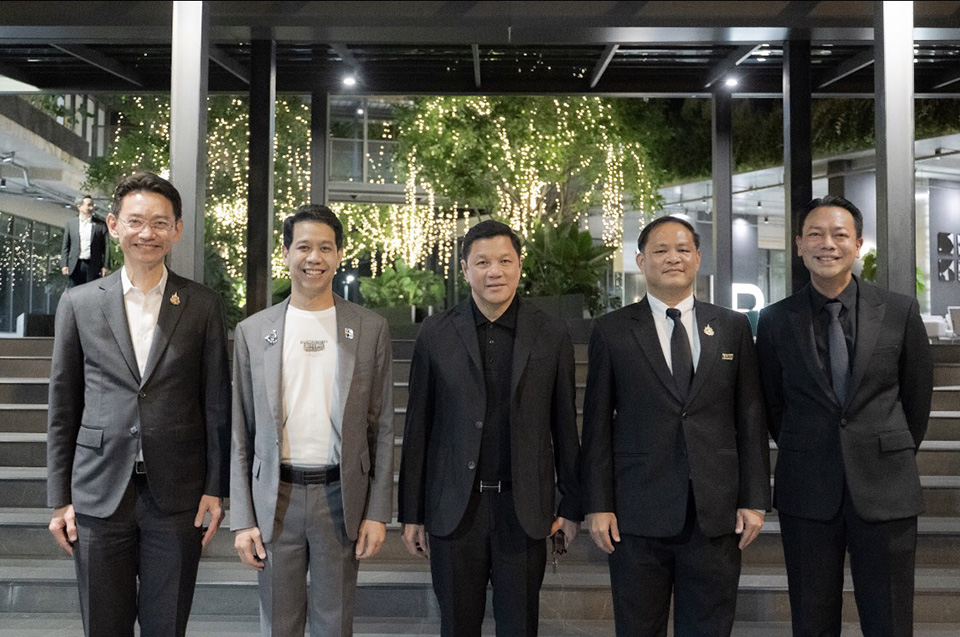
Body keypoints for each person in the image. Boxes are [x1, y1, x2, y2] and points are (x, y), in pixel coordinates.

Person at [46, 172, 231, 636]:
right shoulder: (79, 304)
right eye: (136, 221)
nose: (148, 233)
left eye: (160, 222)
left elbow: (216, 404)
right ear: (114, 225)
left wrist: (215, 488)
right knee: (103, 626)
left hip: (177, 494)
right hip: (98, 490)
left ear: (177, 230)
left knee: (166, 625)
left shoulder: (202, 305)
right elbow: (63, 408)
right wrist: (60, 499)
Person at [581, 215, 770, 636]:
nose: (673, 258)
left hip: (715, 512)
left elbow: (750, 417)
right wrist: (598, 503)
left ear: (698, 258)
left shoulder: (732, 327)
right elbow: (596, 425)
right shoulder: (612, 331)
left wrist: (755, 499)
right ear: (641, 261)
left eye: (683, 250)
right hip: (636, 512)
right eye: (661, 251)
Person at [756, 196, 933, 636]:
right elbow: (773, 405)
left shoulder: (899, 311)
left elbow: (916, 398)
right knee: (812, 620)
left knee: (890, 619)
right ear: (799, 244)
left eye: (839, 235)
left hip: (885, 486)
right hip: (808, 488)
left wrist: (884, 447)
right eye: (815, 234)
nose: (827, 244)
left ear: (857, 243)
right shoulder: (775, 321)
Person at [398, 220, 581, 637]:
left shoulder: (551, 333)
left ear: (519, 265)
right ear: (465, 269)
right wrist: (412, 513)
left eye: (504, 261)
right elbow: (418, 428)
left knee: (520, 626)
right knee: (457, 625)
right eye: (482, 262)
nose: (494, 271)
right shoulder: (436, 333)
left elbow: (565, 426)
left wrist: (571, 506)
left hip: (524, 509)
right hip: (455, 509)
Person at [231, 204, 394, 636]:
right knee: (278, 625)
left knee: (334, 624)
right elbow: (241, 434)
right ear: (286, 253)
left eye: (325, 248)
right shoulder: (253, 332)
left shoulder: (369, 328)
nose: (314, 258)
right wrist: (243, 518)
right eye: (303, 247)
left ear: (339, 255)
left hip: (340, 497)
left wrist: (378, 512)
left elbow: (382, 427)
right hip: (275, 497)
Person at [61, 193, 110, 286]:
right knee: (74, 291)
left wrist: (105, 266)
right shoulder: (71, 224)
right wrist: (64, 264)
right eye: (88, 205)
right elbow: (66, 246)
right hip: (75, 264)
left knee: (91, 290)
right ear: (79, 207)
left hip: (93, 265)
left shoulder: (100, 225)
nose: (91, 208)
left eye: (92, 205)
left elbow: (106, 247)